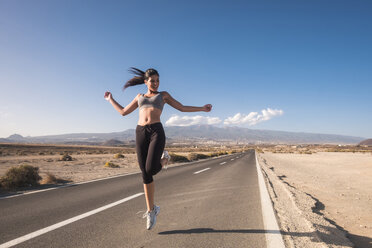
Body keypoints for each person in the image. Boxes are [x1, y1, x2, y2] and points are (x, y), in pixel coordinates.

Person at [104, 67, 212, 230]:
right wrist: (110, 99)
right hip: (140, 132)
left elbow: (182, 108)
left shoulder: (163, 95)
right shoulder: (139, 97)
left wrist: (202, 108)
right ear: (146, 82)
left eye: (157, 80)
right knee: (145, 173)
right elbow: (123, 112)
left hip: (156, 131)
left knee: (150, 169)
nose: (155, 83)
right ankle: (151, 210)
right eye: (152, 80)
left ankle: (165, 158)